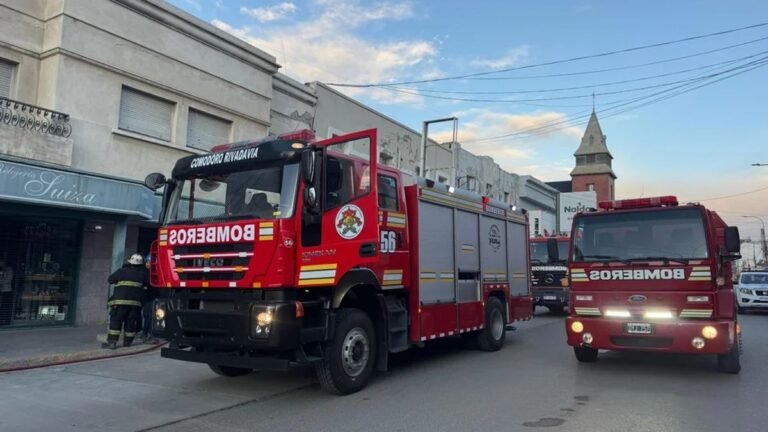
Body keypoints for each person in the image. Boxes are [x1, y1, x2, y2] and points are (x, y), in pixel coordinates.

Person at [102, 254, 148, 349]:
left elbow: (110, 280)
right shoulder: (143, 275)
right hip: (135, 305)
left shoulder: (121, 272)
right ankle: (127, 343)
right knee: (130, 323)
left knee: (116, 322)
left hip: (119, 303)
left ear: (129, 262)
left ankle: (112, 343)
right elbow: (146, 286)